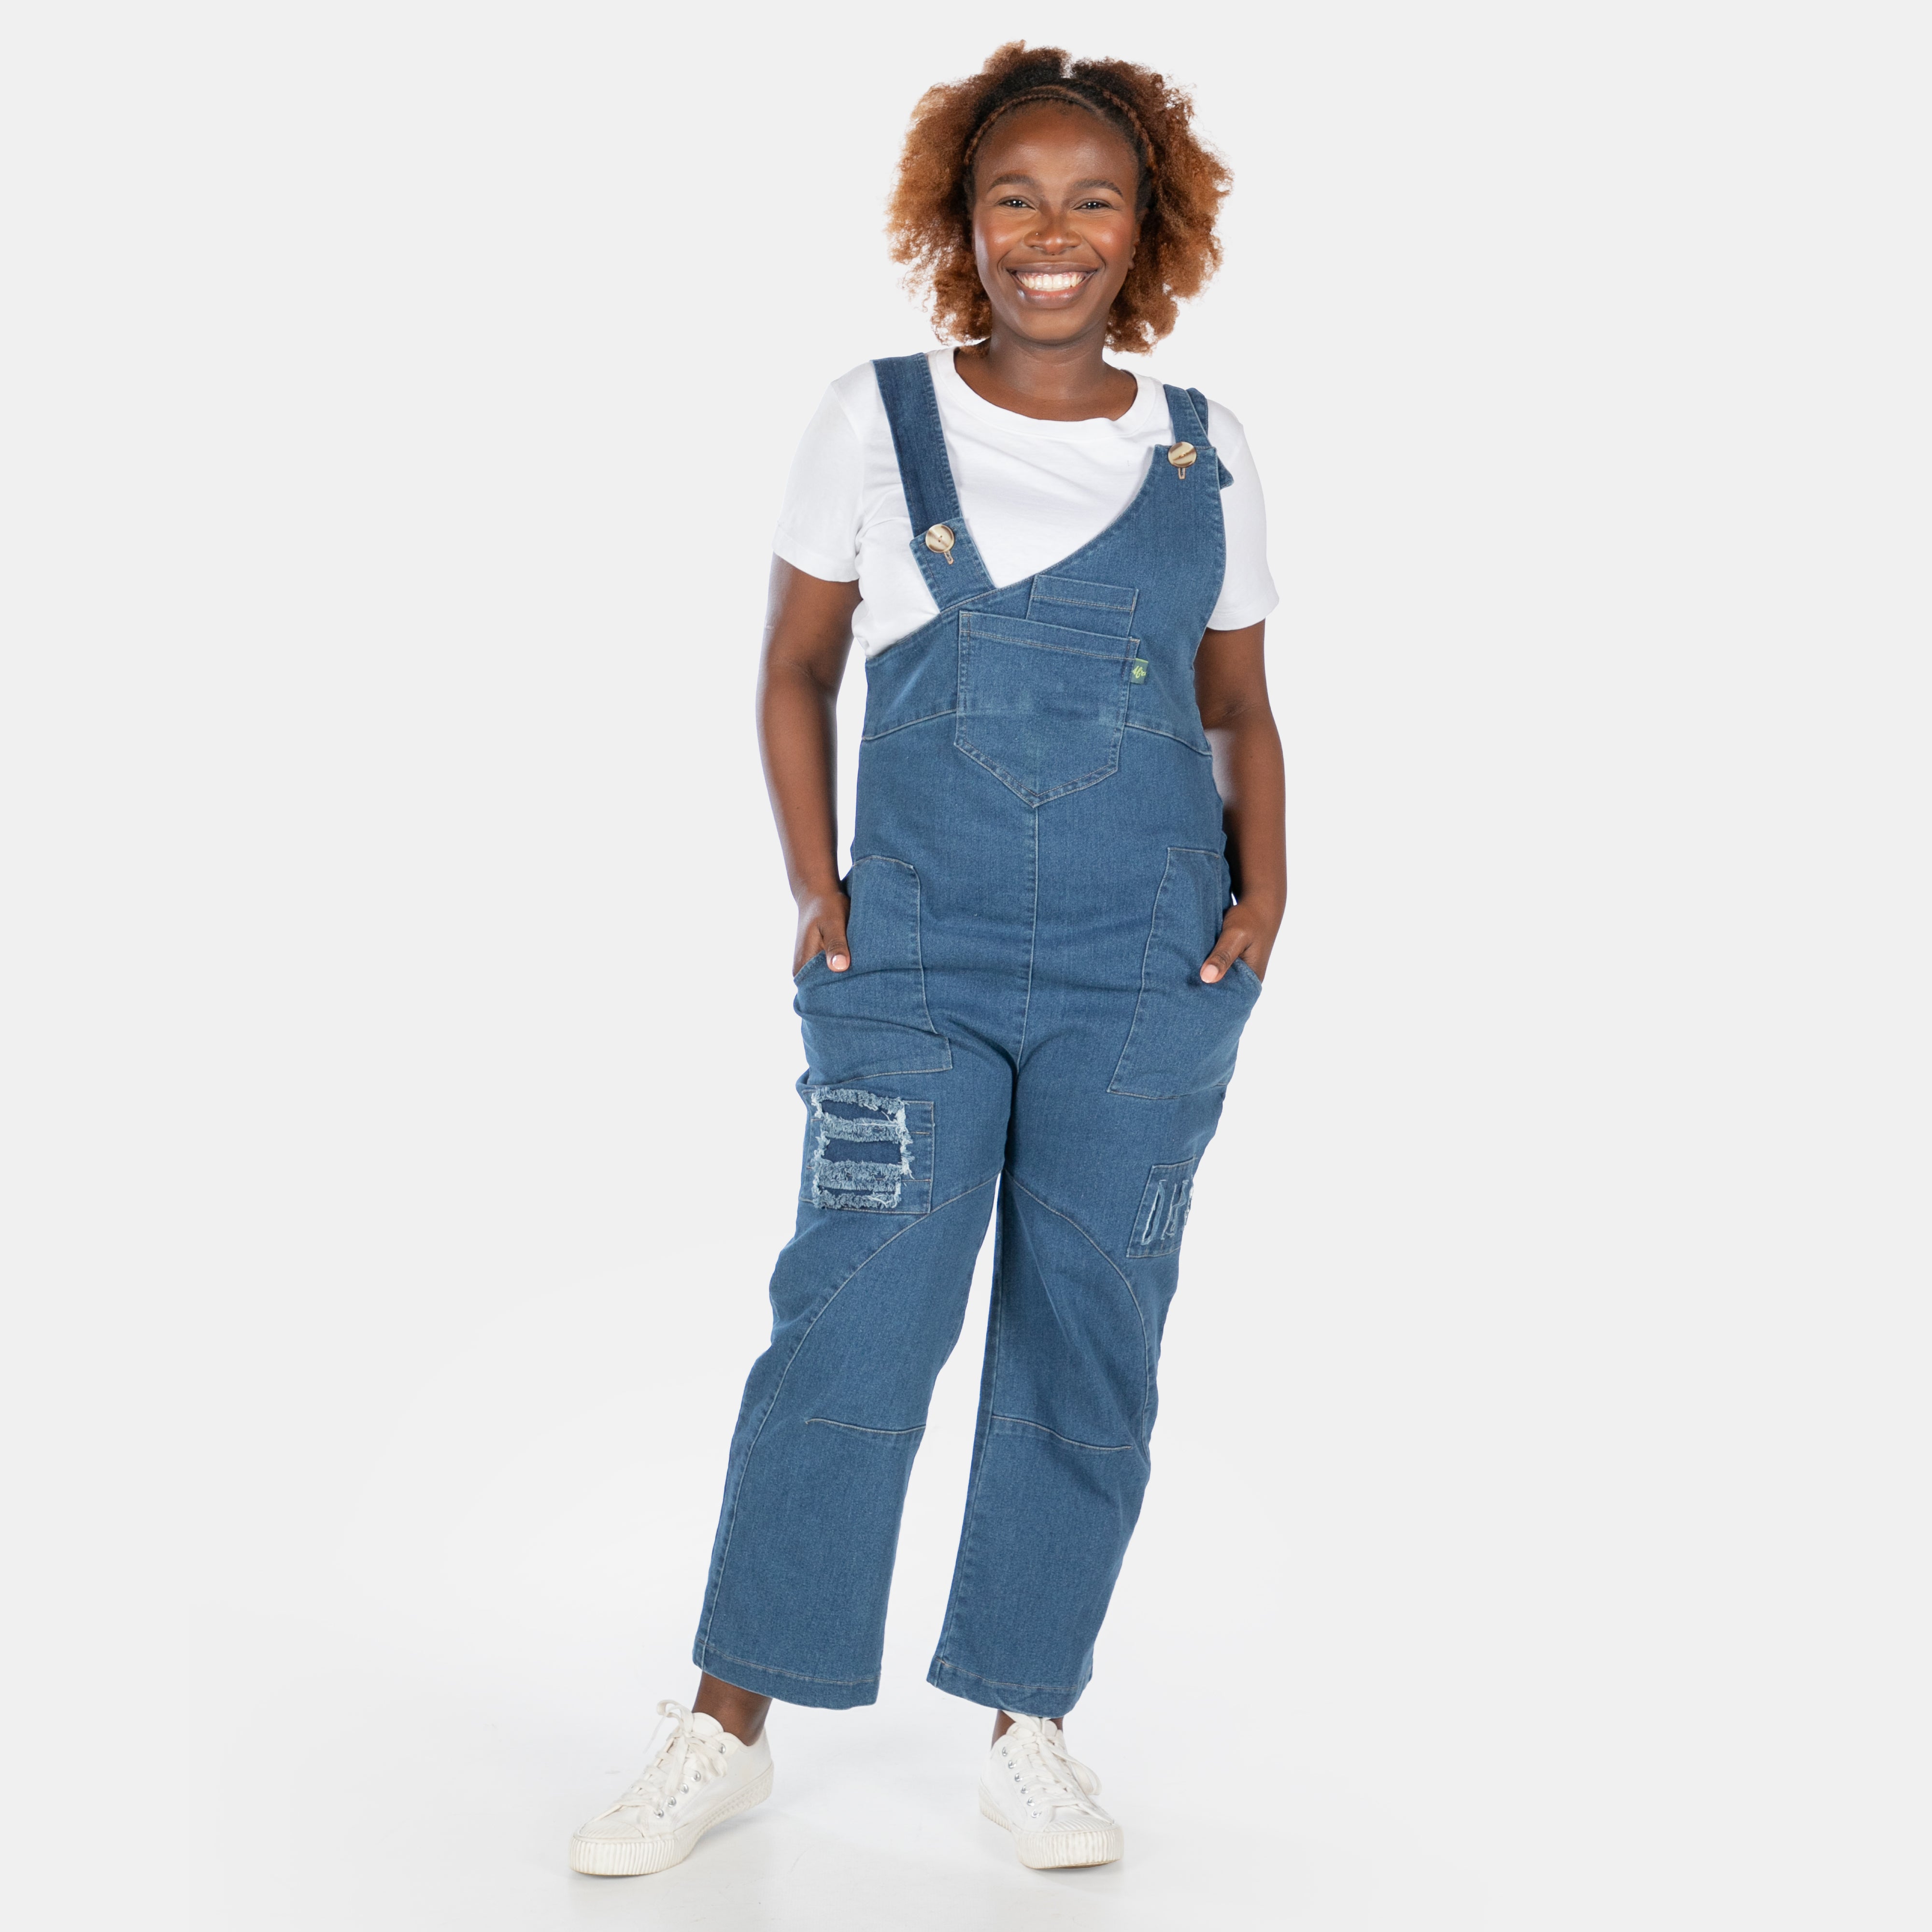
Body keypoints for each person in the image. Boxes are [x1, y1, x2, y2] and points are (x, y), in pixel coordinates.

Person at [571, 42, 1283, 1878]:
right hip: (912, 958)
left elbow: (1237, 705)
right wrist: (814, 882)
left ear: (1147, 226)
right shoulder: (871, 420)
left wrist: (1266, 894)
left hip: (1147, 968)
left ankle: (1030, 1724)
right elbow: (795, 665)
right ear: (961, 224)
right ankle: (728, 1722)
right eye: (1014, 199)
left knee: (1091, 1338)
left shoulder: (1203, 448)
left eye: (1093, 200)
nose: (1053, 234)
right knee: (857, 1313)